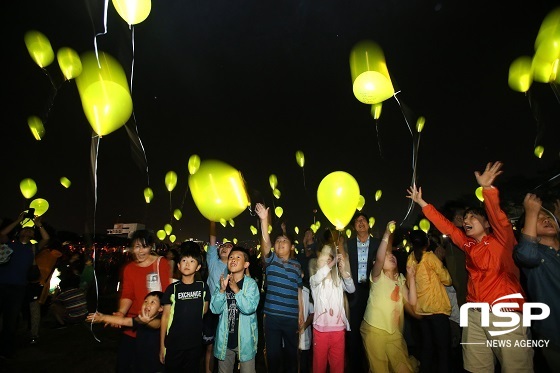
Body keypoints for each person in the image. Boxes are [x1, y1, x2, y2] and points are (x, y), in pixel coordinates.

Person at [407, 161, 533, 372]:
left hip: (505, 314)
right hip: (474, 314)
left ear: (486, 224)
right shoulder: (468, 245)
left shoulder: (502, 240)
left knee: (516, 367)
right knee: (476, 368)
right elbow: (447, 226)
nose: (467, 220)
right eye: (465, 217)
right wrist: (422, 203)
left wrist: (488, 190)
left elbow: (497, 217)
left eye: (473, 217)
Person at [361, 220, 418, 372]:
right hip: (374, 330)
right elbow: (379, 258)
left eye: (392, 255)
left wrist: (411, 278)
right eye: (387, 256)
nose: (391, 257)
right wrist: (386, 233)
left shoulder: (400, 279)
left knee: (403, 367)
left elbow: (412, 300)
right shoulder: (377, 277)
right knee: (379, 368)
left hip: (394, 333)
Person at [114, 229, 171, 372]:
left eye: (144, 246)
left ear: (151, 247)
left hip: (153, 327)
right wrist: (121, 313)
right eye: (136, 246)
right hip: (133, 324)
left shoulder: (161, 264)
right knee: (124, 365)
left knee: (148, 366)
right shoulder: (129, 268)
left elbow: (166, 295)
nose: (139, 251)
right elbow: (128, 294)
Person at [514, 194, 560, 371]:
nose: (546, 219)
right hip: (555, 336)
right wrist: (531, 212)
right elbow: (527, 254)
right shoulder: (533, 255)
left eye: (548, 217)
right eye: (538, 219)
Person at [255, 202, 303, 373]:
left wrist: (301, 314)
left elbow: (299, 290)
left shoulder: (297, 266)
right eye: (278, 241)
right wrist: (264, 220)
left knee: (291, 355)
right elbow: (266, 243)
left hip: (291, 317)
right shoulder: (271, 261)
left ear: (291, 247)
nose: (281, 243)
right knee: (274, 355)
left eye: (285, 241)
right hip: (272, 317)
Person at [0, 210, 49, 357]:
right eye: (25, 229)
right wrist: (18, 220)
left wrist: (39, 225)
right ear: (19, 231)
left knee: (11, 320)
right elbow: (2, 234)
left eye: (30, 230)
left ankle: (5, 349)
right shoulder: (10, 244)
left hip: (19, 288)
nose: (28, 232)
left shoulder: (33, 248)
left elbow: (46, 238)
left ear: (33, 235)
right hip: (2, 284)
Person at [309, 228, 355, 373]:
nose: (327, 261)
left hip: (338, 330)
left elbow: (351, 289)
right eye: (323, 259)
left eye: (329, 258)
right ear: (317, 265)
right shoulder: (314, 282)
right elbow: (318, 276)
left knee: (337, 366)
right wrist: (332, 262)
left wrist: (344, 273)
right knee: (319, 366)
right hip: (320, 331)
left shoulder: (338, 280)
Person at [406, 229, 452, 373]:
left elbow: (409, 284)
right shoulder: (430, 257)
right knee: (443, 349)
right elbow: (448, 279)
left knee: (427, 346)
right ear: (426, 243)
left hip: (421, 309)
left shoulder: (411, 259)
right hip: (437, 308)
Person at [160, 241, 210, 372]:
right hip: (173, 345)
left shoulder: (203, 287)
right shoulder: (172, 289)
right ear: (178, 265)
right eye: (184, 260)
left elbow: (204, 310)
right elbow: (165, 318)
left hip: (195, 345)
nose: (187, 264)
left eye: (192, 261)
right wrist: (161, 346)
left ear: (198, 267)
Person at [88, 291, 165, 373]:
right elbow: (124, 321)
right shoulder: (140, 319)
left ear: (161, 308)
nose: (147, 304)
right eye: (145, 301)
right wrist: (103, 317)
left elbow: (157, 324)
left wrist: (146, 321)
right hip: (139, 363)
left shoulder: (161, 321)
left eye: (153, 302)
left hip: (155, 365)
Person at [211, 246, 260, 373]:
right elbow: (214, 309)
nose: (233, 259)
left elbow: (249, 308)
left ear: (246, 264)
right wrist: (222, 290)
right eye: (231, 257)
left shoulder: (251, 284)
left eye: (238, 257)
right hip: (225, 339)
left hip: (245, 340)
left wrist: (236, 290)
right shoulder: (222, 282)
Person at [345, 211, 380, 372]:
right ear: (354, 227)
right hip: (355, 292)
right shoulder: (348, 244)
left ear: (368, 224)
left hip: (373, 291)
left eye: (363, 220)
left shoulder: (378, 244)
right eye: (357, 221)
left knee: (373, 330)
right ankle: (355, 366)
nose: (361, 223)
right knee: (354, 331)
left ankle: (372, 364)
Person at [204, 220, 234, 373]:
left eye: (229, 246)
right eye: (223, 246)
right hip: (211, 309)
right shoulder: (213, 261)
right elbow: (212, 239)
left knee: (226, 345)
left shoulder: (235, 268)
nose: (224, 248)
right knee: (209, 345)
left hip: (227, 311)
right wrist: (212, 221)